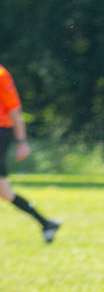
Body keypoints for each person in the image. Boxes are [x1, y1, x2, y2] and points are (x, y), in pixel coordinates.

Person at [0, 64, 61, 243]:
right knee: (5, 192)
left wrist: (22, 142)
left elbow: (14, 110)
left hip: (1, 131)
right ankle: (46, 223)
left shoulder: (1, 75)